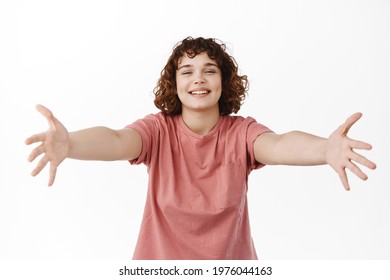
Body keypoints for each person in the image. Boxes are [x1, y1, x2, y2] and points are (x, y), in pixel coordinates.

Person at [25, 37, 376, 260]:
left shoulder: (241, 133)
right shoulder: (158, 129)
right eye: (187, 71)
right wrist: (70, 144)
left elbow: (280, 144)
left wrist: (324, 149)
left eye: (209, 70)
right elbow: (117, 140)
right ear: (174, 84)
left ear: (223, 83)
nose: (198, 79)